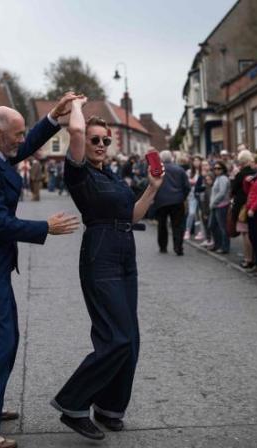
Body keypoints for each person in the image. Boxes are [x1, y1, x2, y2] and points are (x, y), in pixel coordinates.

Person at [0, 95, 79, 448]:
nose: (20, 139)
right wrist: (46, 228)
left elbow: (24, 147)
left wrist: (52, 120)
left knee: (6, 340)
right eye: (16, 133)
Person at [50, 99, 162, 440]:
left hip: (125, 253)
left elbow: (132, 214)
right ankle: (73, 403)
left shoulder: (109, 176)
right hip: (101, 255)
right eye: (95, 139)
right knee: (117, 337)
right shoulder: (78, 173)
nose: (99, 144)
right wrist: (78, 106)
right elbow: (78, 129)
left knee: (131, 339)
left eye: (105, 141)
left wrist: (153, 189)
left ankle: (110, 407)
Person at [152, 149, 189, 256]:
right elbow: (186, 186)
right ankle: (178, 248)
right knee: (177, 225)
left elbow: (152, 185)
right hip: (177, 200)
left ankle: (163, 247)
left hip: (161, 201)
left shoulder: (157, 170)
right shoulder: (179, 169)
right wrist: (183, 197)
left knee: (162, 225)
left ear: (161, 159)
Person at [232, 150, 256, 269]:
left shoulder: (240, 174)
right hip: (253, 205)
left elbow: (233, 190)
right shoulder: (255, 172)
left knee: (245, 233)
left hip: (243, 207)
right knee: (252, 232)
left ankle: (248, 259)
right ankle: (253, 258)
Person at [208, 161, 231, 254]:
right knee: (212, 225)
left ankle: (225, 247)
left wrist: (214, 202)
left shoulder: (223, 179)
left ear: (223, 169)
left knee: (223, 227)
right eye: (215, 168)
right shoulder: (217, 178)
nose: (216, 170)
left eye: (219, 168)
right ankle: (217, 244)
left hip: (222, 205)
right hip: (215, 206)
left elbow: (222, 193)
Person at [184, 156, 204, 240]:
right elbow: (185, 182)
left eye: (198, 161)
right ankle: (187, 231)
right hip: (192, 195)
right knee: (191, 213)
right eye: (194, 161)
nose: (196, 162)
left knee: (199, 214)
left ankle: (200, 232)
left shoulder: (202, 172)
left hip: (200, 195)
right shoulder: (189, 172)